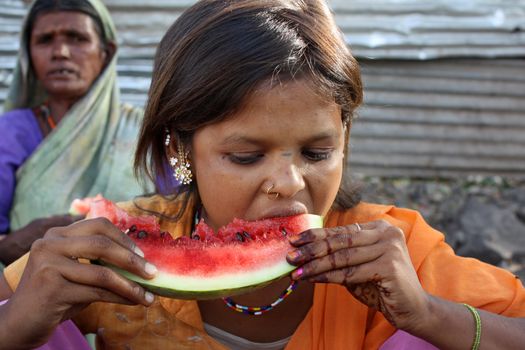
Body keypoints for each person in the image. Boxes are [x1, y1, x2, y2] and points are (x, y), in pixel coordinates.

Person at [1, 0, 525, 349]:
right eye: (246, 157)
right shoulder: (117, 248)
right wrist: (18, 318)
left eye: (318, 153)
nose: (290, 182)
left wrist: (428, 313)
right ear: (180, 150)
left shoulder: (391, 245)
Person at [0, 0, 152, 267]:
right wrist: (18, 244)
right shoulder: (9, 132)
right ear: (28, 53)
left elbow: (180, 217)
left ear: (106, 51)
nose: (60, 52)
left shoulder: (144, 133)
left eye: (77, 38)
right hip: (29, 301)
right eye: (45, 40)